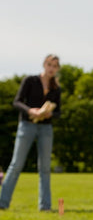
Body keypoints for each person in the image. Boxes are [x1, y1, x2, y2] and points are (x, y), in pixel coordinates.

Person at [0, 54, 61, 211]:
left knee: (45, 168)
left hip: (46, 128)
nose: (51, 68)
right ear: (44, 65)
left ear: (57, 69)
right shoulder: (30, 81)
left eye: (55, 66)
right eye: (49, 64)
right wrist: (30, 110)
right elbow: (17, 102)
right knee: (16, 164)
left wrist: (50, 114)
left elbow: (59, 112)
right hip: (27, 125)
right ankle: (2, 203)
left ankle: (45, 206)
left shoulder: (56, 88)